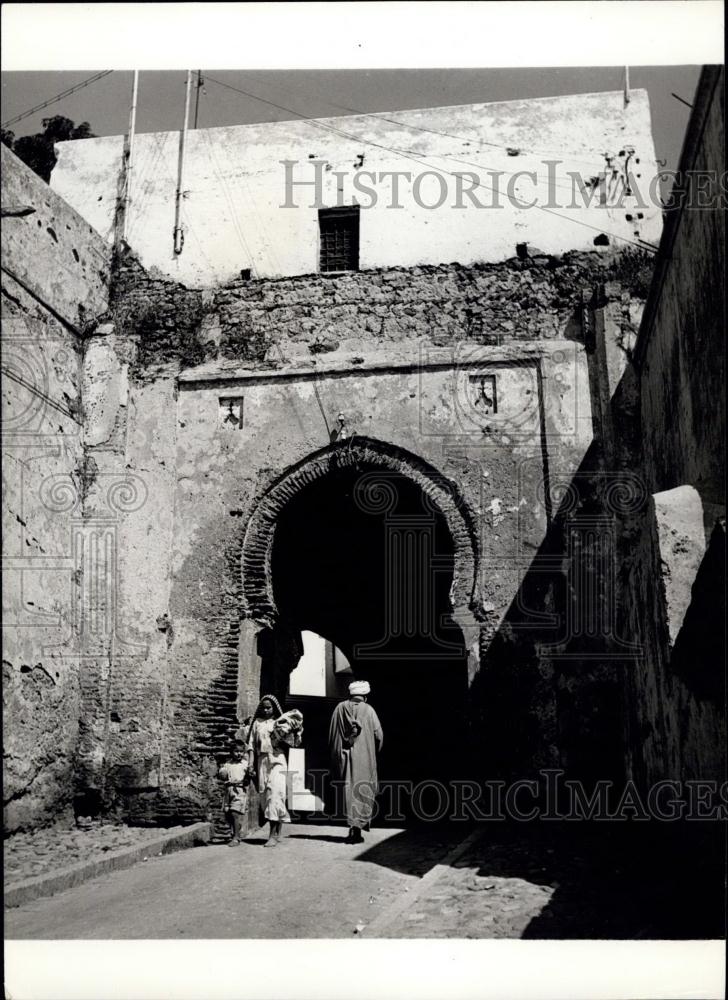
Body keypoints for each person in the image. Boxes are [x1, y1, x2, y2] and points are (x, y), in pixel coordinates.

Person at [328, 680, 383, 843]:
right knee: (363, 790)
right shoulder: (369, 710)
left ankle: (352, 827)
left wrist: (337, 756)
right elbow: (379, 736)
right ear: (365, 696)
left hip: (343, 759)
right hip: (364, 758)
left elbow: (332, 736)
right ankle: (357, 829)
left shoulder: (339, 709)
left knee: (348, 789)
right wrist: (373, 752)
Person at [245, 695, 303, 847]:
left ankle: (272, 835)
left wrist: (294, 733)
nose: (266, 710)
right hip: (262, 762)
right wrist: (251, 765)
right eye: (263, 707)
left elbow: (294, 743)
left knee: (276, 794)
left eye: (269, 707)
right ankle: (277, 832)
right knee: (265, 797)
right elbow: (250, 745)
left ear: (274, 708)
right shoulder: (257, 723)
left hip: (278, 760)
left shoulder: (281, 722)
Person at [218, 738, 250, 845]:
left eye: (241, 751)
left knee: (235, 813)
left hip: (239, 790)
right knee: (228, 814)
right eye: (236, 751)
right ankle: (236, 828)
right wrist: (222, 774)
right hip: (228, 791)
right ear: (231, 752)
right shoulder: (227, 764)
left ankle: (236, 838)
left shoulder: (245, 764)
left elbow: (249, 776)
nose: (239, 754)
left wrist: (248, 778)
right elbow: (222, 774)